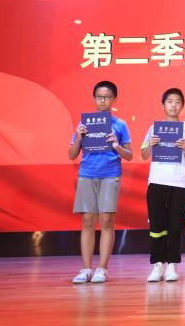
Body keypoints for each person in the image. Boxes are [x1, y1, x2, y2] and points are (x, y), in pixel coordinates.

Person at [69, 80, 132, 284]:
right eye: (99, 97)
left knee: (106, 220)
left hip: (110, 174)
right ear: (94, 98)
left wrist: (116, 145)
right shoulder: (84, 124)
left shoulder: (120, 125)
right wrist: (79, 137)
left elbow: (129, 155)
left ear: (114, 99)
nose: (102, 101)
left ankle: (102, 269)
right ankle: (86, 268)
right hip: (87, 173)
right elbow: (72, 155)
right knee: (87, 220)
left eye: (106, 97)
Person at [141, 88, 185, 282]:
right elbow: (144, 154)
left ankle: (172, 265)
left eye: (177, 102)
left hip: (179, 182)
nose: (173, 105)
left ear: (182, 106)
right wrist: (151, 145)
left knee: (176, 224)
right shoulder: (154, 128)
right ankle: (158, 265)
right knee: (156, 224)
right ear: (163, 104)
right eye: (169, 101)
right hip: (157, 180)